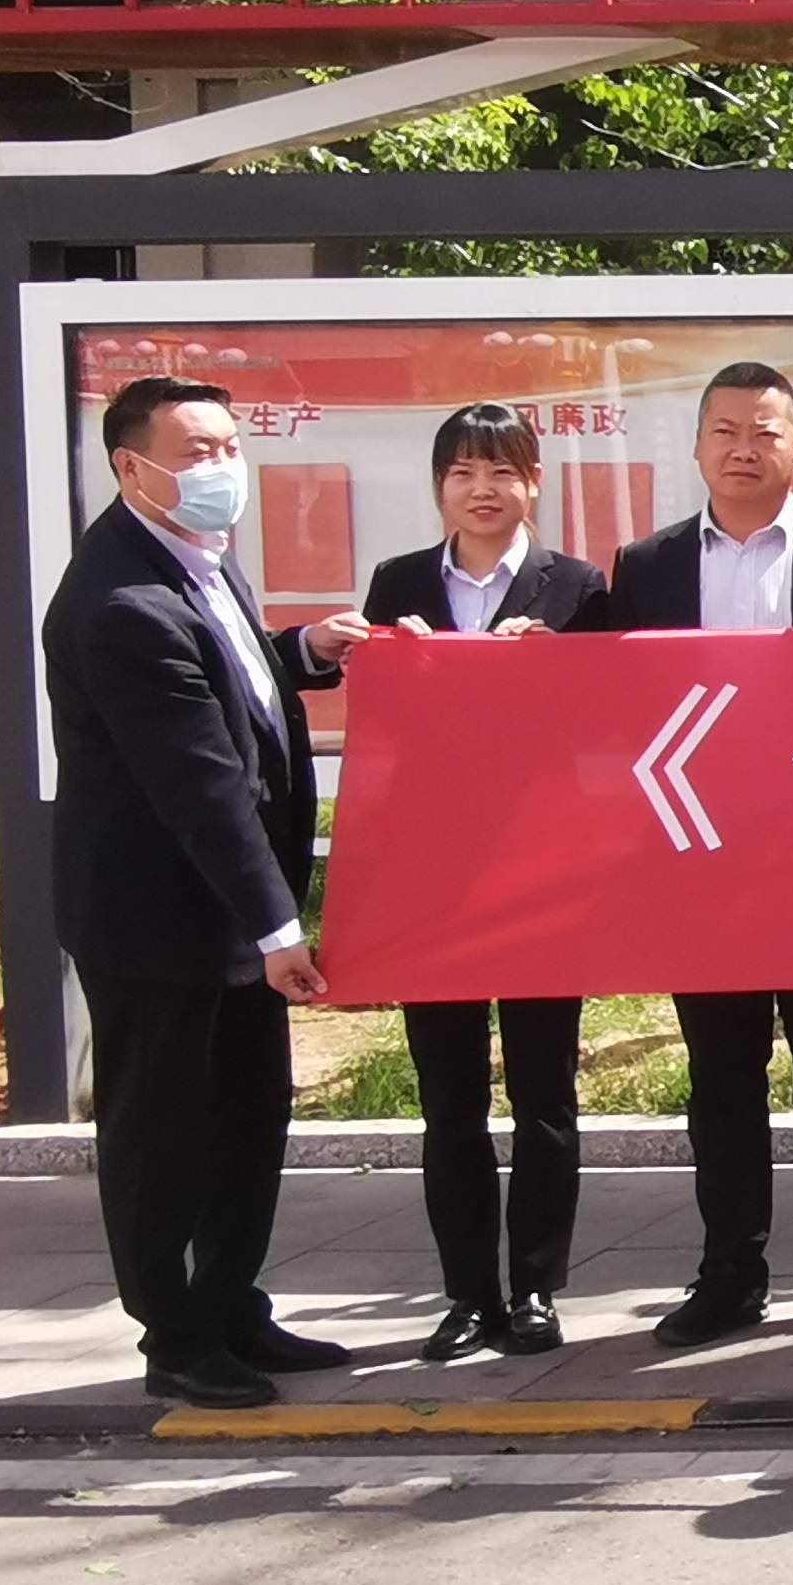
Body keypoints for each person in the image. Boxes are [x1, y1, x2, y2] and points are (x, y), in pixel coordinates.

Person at [41, 375, 361, 1410]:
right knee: (160, 1134)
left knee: (245, 1121)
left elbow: (231, 686)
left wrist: (301, 652)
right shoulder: (120, 602)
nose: (223, 467)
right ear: (132, 468)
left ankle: (228, 1304)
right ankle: (174, 1337)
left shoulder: (195, 557)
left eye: (230, 446)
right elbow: (201, 781)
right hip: (157, 919)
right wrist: (279, 925)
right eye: (197, 452)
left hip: (227, 916)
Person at [583, 359, 793, 1349]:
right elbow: (606, 703)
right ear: (698, 445)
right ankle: (730, 1273)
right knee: (722, 1076)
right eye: (724, 430)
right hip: (701, 858)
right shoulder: (648, 567)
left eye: (764, 431)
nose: (743, 449)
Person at [342, 404, 605, 1364]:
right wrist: (406, 663)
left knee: (544, 1096)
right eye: (462, 473)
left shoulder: (578, 586)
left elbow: (609, 727)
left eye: (501, 471)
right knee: (449, 1099)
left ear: (534, 482)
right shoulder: (400, 583)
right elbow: (383, 730)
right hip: (434, 878)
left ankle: (534, 1287)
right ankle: (465, 1294)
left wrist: (554, 671)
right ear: (439, 488)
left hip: (542, 874)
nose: (482, 490)